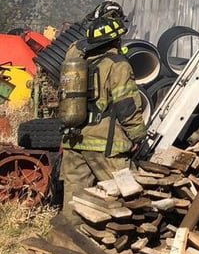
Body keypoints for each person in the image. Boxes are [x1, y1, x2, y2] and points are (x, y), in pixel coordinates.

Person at [59, 14, 146, 227]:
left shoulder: (78, 64)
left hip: (74, 140)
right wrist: (137, 135)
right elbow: (127, 105)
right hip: (105, 145)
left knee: (74, 201)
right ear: (115, 41)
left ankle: (70, 243)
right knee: (128, 196)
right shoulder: (117, 64)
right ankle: (130, 241)